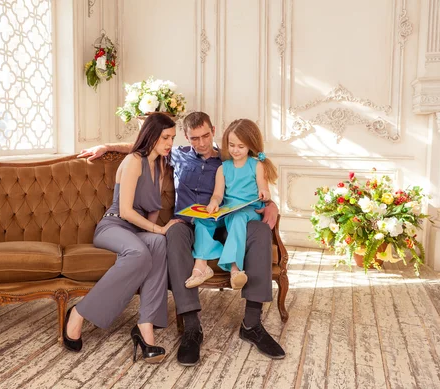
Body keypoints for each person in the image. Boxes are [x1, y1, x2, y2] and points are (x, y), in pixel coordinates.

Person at [78, 112, 285, 366]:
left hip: (225, 222)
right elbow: (143, 146)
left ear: (213, 130)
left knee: (261, 231)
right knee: (174, 232)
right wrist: (108, 147)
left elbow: (254, 180)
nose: (201, 143)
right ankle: (191, 328)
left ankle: (252, 324)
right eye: (195, 138)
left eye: (206, 136)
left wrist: (272, 203)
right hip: (188, 224)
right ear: (186, 138)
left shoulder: (227, 157)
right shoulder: (176, 154)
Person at [64, 113, 182, 364]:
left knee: (159, 243)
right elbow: (127, 211)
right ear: (151, 136)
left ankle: (145, 326)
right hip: (114, 225)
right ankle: (79, 312)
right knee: (141, 251)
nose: (170, 143)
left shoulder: (160, 165)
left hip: (137, 230)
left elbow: (152, 211)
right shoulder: (133, 161)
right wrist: (159, 229)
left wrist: (158, 231)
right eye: (165, 137)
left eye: (172, 137)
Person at [186, 119, 278, 291]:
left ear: (250, 145)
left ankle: (235, 268)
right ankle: (202, 264)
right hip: (228, 210)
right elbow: (218, 194)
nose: (235, 150)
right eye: (232, 145)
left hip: (249, 210)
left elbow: (264, 190)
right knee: (201, 220)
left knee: (237, 218)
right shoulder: (223, 168)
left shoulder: (256, 165)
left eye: (241, 146)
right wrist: (213, 203)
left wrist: (264, 194)